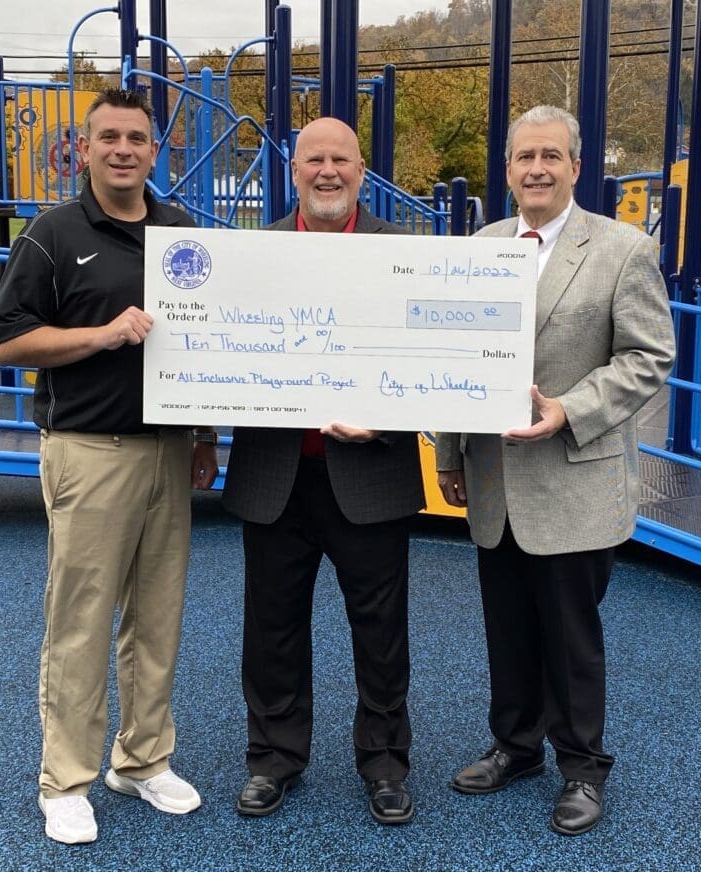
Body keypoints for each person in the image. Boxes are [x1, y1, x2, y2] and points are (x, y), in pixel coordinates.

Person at [435, 105, 675, 836]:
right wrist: (448, 452)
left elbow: (648, 358)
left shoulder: (622, 249)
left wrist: (568, 408)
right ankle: (516, 745)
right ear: (506, 169)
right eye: (523, 156)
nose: (536, 168)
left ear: (575, 165)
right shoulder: (480, 245)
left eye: (551, 155)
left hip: (573, 475)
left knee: (571, 636)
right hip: (494, 480)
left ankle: (582, 767)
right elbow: (457, 359)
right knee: (506, 625)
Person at [0, 87, 218, 845]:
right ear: (82, 149)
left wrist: (207, 435)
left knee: (158, 618)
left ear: (157, 152)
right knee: (80, 621)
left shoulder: (182, 230)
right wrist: (100, 334)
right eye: (109, 137)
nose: (124, 149)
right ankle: (66, 779)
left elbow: (206, 343)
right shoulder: (52, 234)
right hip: (89, 451)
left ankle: (143, 759)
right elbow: (7, 342)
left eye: (138, 139)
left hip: (168, 449)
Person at [221, 116, 426, 825]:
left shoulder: (405, 254)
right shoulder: (248, 256)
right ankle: (273, 757)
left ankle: (386, 763)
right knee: (271, 628)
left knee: (382, 632)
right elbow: (215, 358)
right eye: (315, 160)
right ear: (294, 170)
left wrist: (389, 415)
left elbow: (432, 366)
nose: (328, 172)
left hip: (371, 472)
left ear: (362, 172)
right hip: (274, 475)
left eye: (341, 160)